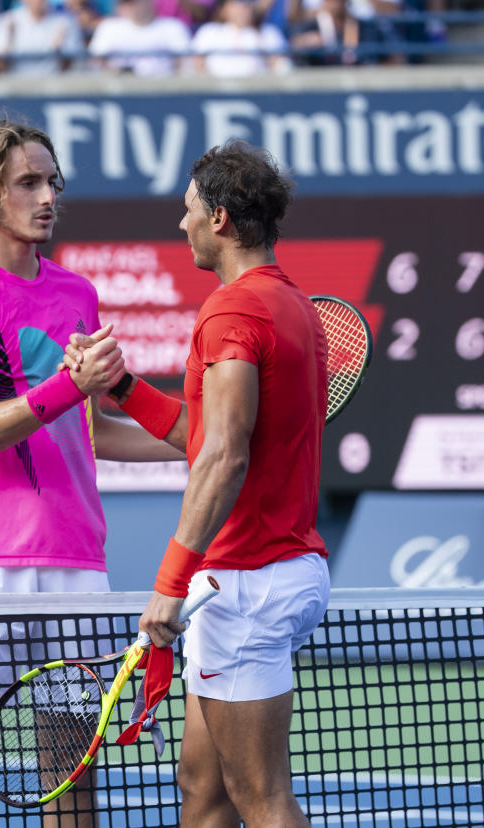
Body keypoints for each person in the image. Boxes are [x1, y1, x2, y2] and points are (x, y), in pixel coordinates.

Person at [0, 119, 184, 828]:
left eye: (52, 181)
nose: (47, 195)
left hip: (74, 565)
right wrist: (69, 384)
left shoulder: (76, 296)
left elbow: (88, 434)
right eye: (28, 181)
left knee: (70, 778)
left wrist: (201, 441)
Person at [66, 142, 330, 827]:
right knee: (203, 790)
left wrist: (170, 578)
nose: (178, 223)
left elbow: (224, 458)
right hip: (265, 573)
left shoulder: (232, 312)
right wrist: (122, 387)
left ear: (218, 219)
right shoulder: (290, 305)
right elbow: (207, 437)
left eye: (186, 209)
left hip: (247, 577)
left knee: (262, 798)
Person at [87, 0, 193, 75]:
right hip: (120, 90)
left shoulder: (173, 27)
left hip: (164, 90)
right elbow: (96, 62)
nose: (130, 7)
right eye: (125, 3)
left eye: (134, 2)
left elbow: (186, 65)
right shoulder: (109, 27)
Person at [189, 0, 290, 77]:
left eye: (246, 4)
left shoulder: (268, 33)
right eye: (236, 4)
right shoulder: (209, 31)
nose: (242, 9)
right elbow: (196, 65)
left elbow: (281, 67)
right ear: (224, 9)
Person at [0, 0, 84, 75]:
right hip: (14, 88)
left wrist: (58, 51)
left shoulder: (66, 21)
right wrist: (8, 44)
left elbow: (70, 67)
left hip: (54, 87)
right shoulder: (6, 20)